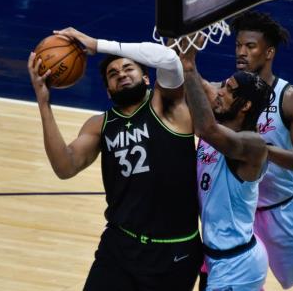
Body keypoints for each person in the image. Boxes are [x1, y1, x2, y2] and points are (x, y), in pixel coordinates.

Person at [27, 28, 202, 291]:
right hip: (120, 246)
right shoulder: (100, 125)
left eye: (128, 69)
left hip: (174, 250)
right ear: (108, 92)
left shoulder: (168, 107)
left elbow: (168, 59)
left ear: (146, 78)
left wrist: (99, 45)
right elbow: (65, 167)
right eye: (112, 74)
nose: (120, 73)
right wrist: (44, 103)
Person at [231, 10, 293, 290]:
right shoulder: (229, 93)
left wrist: (261, 150)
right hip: (238, 215)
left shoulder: (291, 99)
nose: (241, 52)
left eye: (250, 46)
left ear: (269, 52)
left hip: (282, 212)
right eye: (238, 45)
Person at [180, 37, 275, 290]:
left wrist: (188, 64)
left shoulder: (252, 146)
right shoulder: (223, 117)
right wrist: (181, 47)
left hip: (237, 264)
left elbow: (205, 128)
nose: (219, 91)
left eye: (228, 89)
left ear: (245, 105)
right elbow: (197, 83)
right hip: (214, 257)